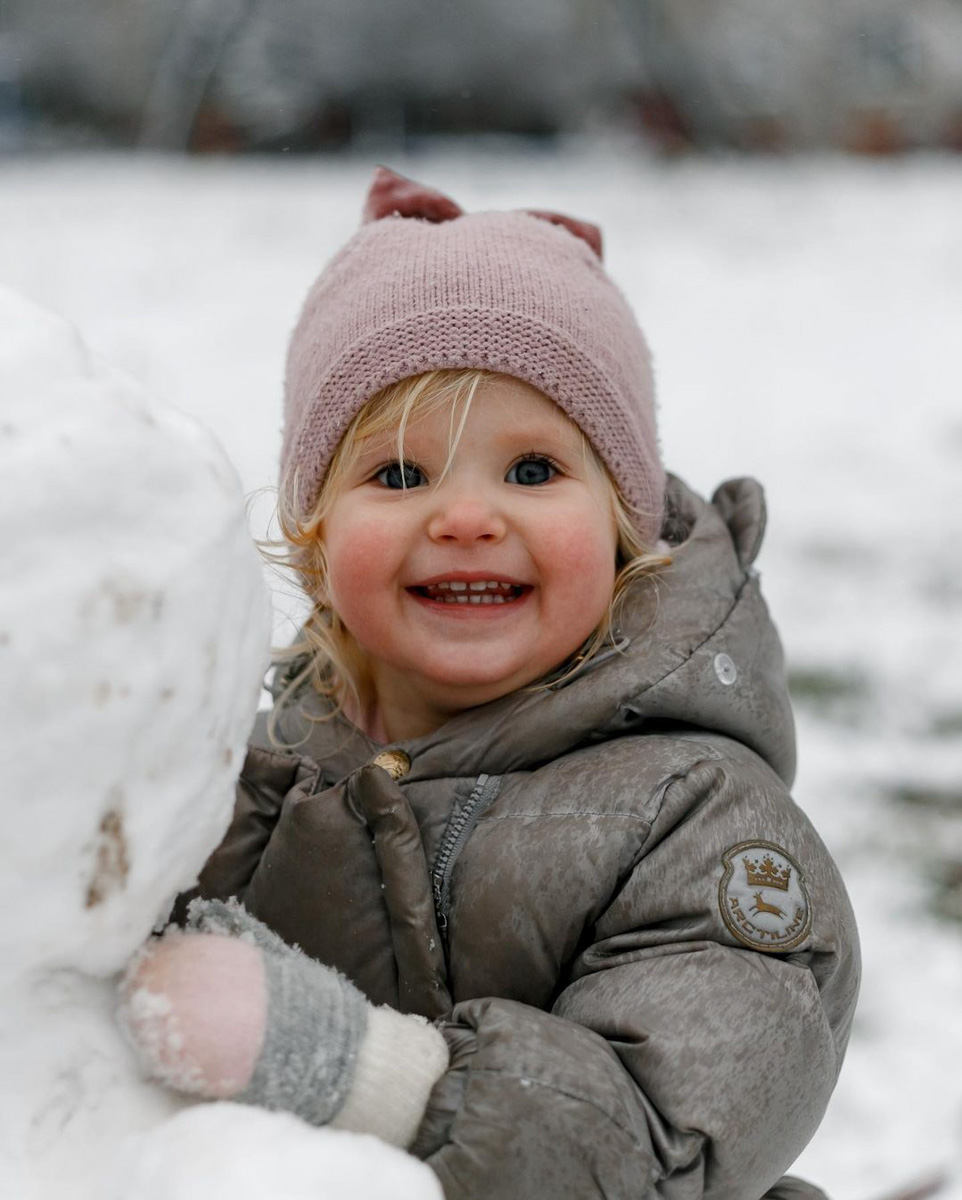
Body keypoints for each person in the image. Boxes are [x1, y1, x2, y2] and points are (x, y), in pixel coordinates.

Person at [121, 167, 860, 1200]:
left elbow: (663, 1140)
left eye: (531, 471)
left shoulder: (695, 822)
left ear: (624, 526)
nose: (466, 518)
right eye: (398, 474)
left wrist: (363, 1076)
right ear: (315, 539)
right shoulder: (245, 785)